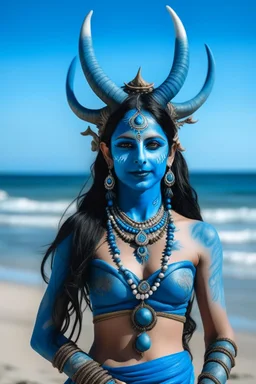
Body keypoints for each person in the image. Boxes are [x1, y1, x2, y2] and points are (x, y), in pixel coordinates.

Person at [30, 5, 237, 384]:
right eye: (125, 144)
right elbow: (42, 335)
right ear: (106, 153)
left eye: (153, 144)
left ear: (171, 152)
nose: (140, 158)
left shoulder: (201, 237)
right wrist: (99, 380)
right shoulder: (83, 232)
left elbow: (221, 336)